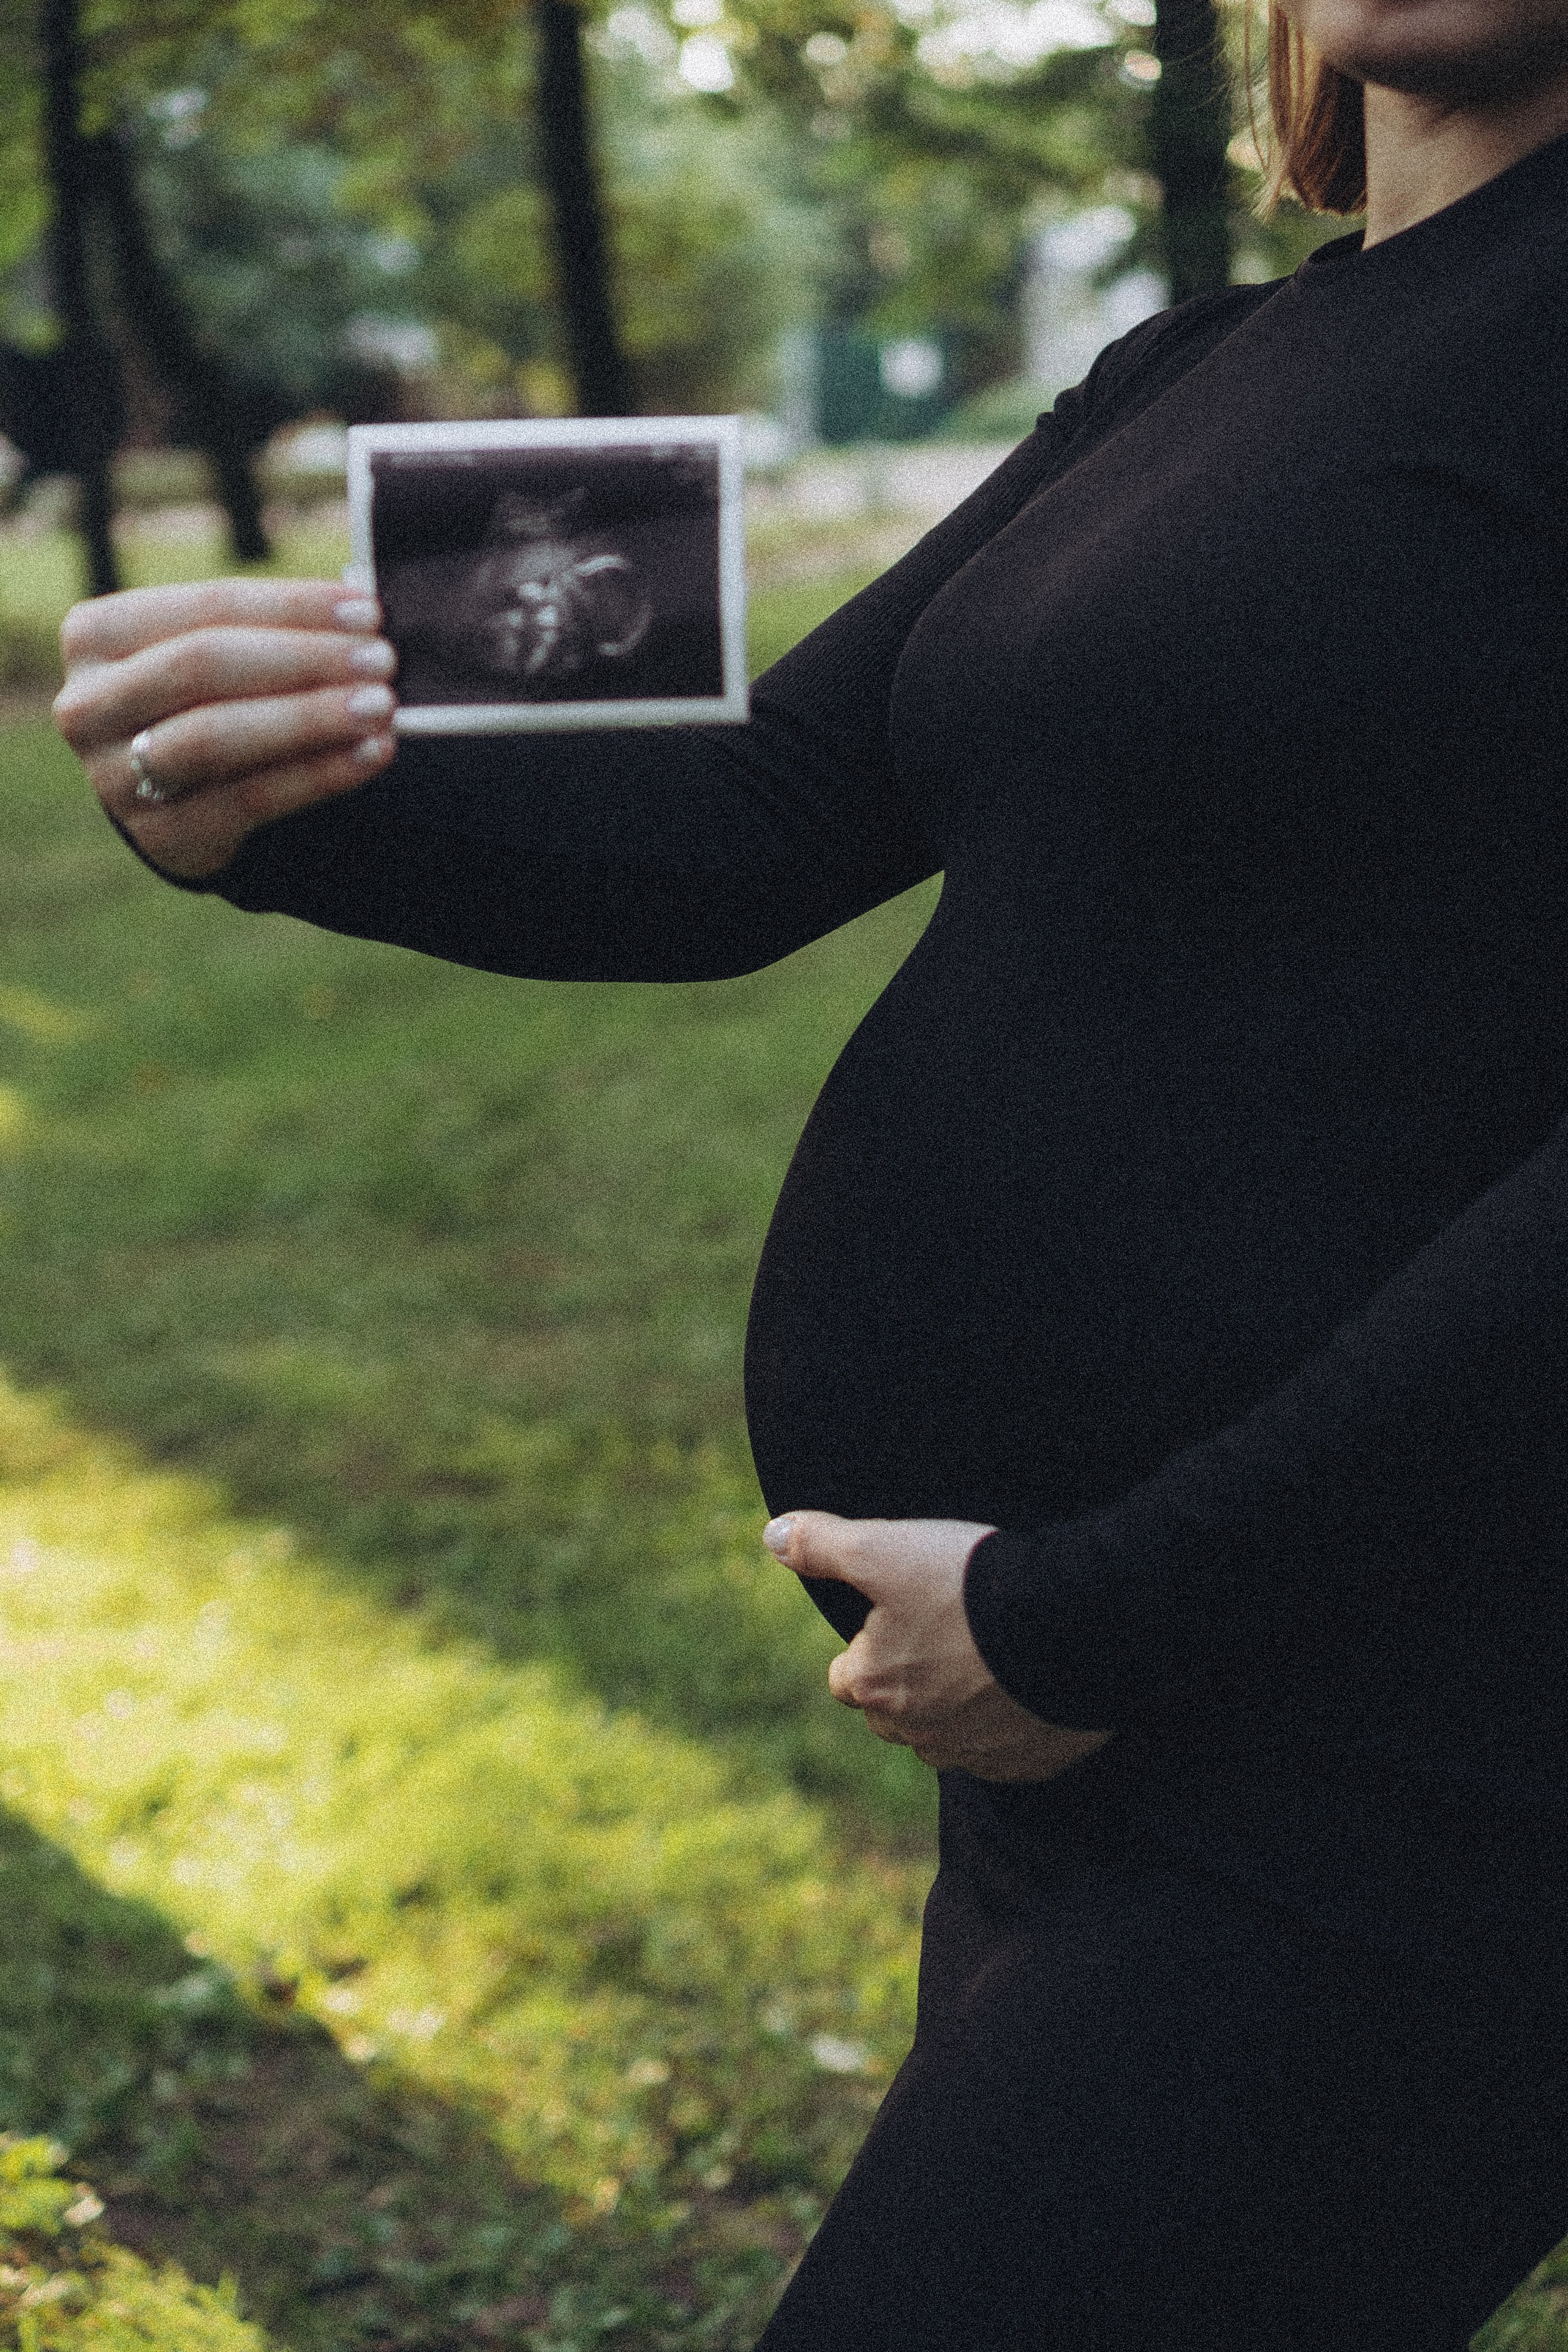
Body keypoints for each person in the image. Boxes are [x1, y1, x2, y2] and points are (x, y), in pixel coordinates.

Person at [52, 2, 1568, 2340]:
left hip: (1400, 1758)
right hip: (1088, 1738)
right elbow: (755, 820)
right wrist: (275, 809)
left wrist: (1106, 1610)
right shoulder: (1194, 375)